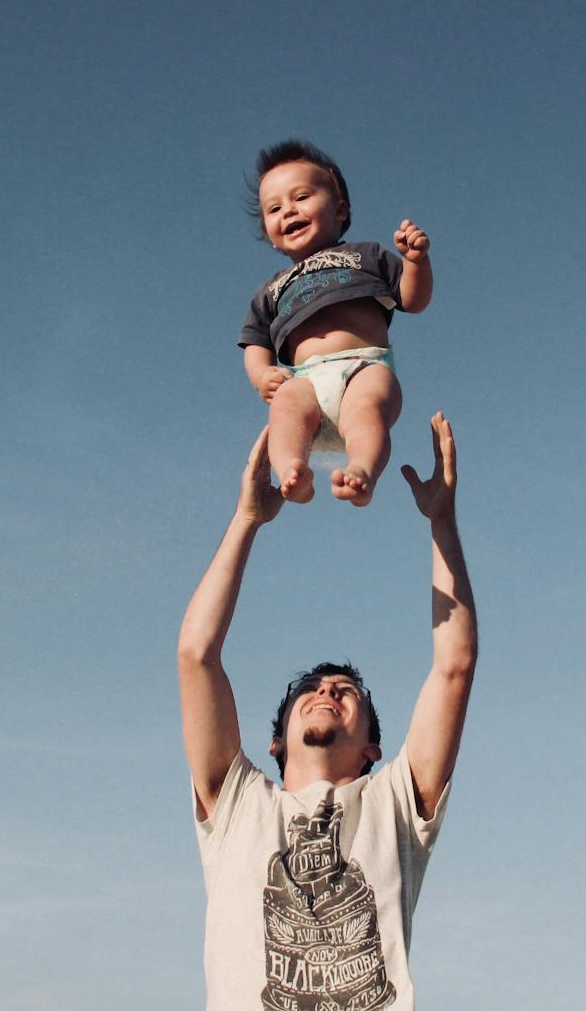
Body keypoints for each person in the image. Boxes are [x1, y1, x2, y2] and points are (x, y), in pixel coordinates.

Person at [177, 413, 477, 1010]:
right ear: (275, 742)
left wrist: (442, 522)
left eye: (347, 691)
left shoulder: (394, 804)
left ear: (372, 749)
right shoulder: (238, 806)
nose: (328, 691)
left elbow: (454, 666)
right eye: (311, 689)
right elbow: (196, 655)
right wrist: (246, 520)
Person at [239, 139, 433, 507]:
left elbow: (413, 299)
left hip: (365, 366)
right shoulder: (272, 289)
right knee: (285, 408)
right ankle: (292, 470)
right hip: (305, 379)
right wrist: (262, 375)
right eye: (275, 207)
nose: (288, 211)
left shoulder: (366, 255)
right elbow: (255, 341)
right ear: (269, 233)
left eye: (301, 197)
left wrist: (415, 263)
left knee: (365, 412)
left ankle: (361, 470)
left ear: (339, 210)